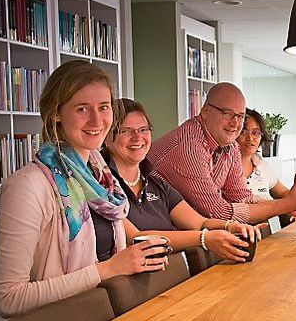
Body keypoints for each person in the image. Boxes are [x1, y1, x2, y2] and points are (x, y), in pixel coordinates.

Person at [0, 61, 167, 318]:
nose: (97, 120)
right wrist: (108, 269)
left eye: (104, 107)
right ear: (56, 113)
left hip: (110, 320)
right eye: (82, 109)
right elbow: (8, 299)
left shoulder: (102, 178)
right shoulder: (28, 186)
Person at [102, 98, 261, 263]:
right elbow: (137, 238)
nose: (138, 137)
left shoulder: (156, 183)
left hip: (173, 276)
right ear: (106, 138)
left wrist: (230, 226)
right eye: (126, 131)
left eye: (143, 129)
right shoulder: (101, 186)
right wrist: (204, 239)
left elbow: (199, 223)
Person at [147, 83, 296, 223]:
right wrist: (285, 205)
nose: (235, 124)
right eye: (227, 113)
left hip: (195, 232)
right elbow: (218, 212)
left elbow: (241, 196)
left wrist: (289, 205)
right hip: (158, 236)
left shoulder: (230, 145)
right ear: (205, 111)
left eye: (240, 116)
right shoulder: (189, 148)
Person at [238, 109, 287, 201]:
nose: (250, 138)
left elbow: (283, 193)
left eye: (255, 133)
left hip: (272, 215)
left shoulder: (261, 163)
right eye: (243, 132)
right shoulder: (224, 167)